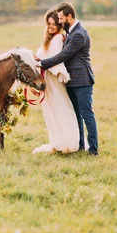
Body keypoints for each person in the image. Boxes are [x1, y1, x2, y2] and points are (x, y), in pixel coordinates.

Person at [39, 2, 98, 156]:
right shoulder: (71, 32)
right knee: (76, 114)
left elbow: (64, 55)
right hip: (72, 81)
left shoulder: (79, 34)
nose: (59, 21)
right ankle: (79, 145)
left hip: (82, 81)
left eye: (61, 18)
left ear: (69, 16)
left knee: (87, 114)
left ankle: (93, 149)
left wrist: (42, 64)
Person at [32, 9, 79, 154]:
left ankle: (68, 142)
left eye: (54, 24)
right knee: (50, 111)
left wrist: (41, 62)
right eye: (49, 24)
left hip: (54, 79)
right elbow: (43, 55)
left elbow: (55, 58)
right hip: (47, 80)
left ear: (59, 25)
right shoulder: (49, 38)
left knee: (60, 108)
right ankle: (57, 141)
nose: (51, 26)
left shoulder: (58, 38)